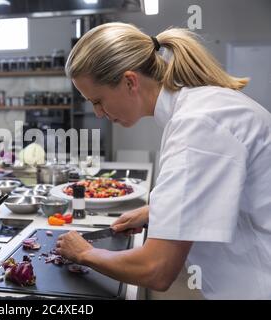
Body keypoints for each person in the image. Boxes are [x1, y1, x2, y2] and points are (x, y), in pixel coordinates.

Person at [55, 23, 271, 299]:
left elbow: (156, 269)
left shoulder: (198, 125)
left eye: (98, 101)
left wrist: (85, 253)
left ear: (130, 81)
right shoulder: (202, 107)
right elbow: (225, 192)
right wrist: (155, 211)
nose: (98, 113)